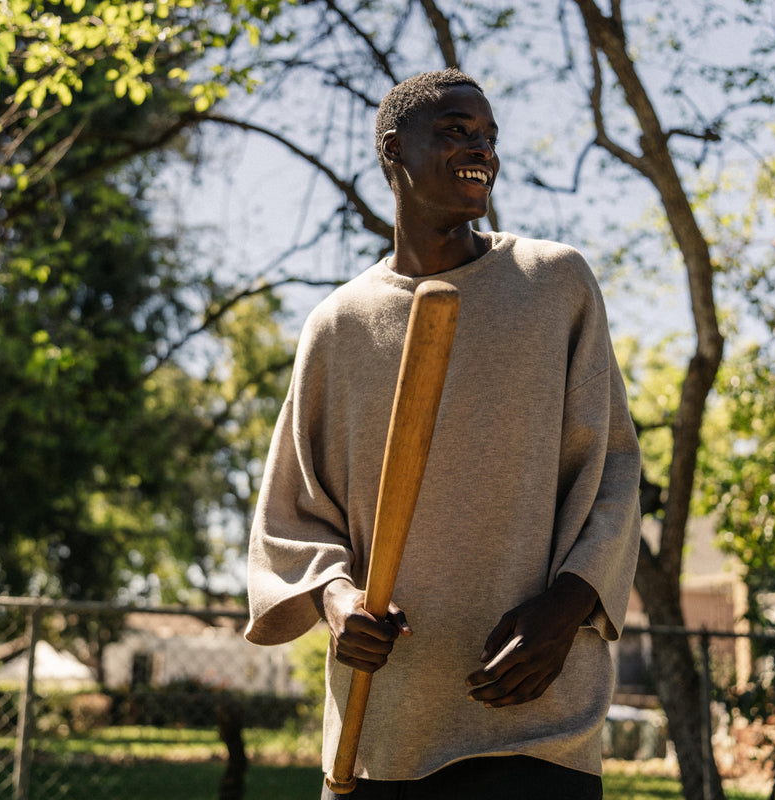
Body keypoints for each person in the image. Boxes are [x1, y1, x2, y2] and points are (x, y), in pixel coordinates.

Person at [245, 68, 642, 799]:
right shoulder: (338, 327)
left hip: (538, 719)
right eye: (457, 131)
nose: (481, 150)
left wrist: (568, 606)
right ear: (395, 150)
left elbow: (614, 468)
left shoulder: (555, 285)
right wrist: (337, 601)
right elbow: (294, 514)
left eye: (489, 137)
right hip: (386, 731)